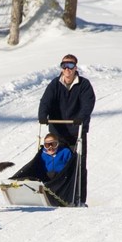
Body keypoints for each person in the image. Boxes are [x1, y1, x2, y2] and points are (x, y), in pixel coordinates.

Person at [38, 54, 95, 206]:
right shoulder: (54, 85)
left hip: (76, 132)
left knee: (78, 165)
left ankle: (79, 199)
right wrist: (42, 115)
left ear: (75, 67)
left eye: (70, 66)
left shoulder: (84, 85)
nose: (67, 69)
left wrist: (81, 118)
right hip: (57, 132)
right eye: (64, 65)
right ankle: (53, 194)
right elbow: (45, 101)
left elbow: (87, 105)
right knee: (53, 162)